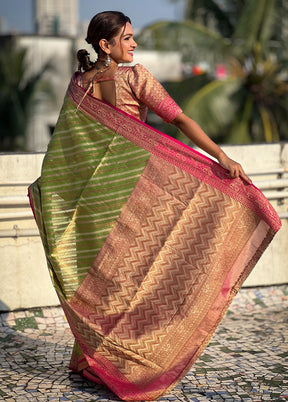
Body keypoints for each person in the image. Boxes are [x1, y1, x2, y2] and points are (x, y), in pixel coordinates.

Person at [28, 11, 281, 402]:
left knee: (101, 280)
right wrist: (220, 157)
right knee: (124, 282)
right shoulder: (134, 76)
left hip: (92, 201)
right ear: (105, 45)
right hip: (130, 193)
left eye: (133, 38)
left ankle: (88, 359)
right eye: (126, 38)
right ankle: (120, 364)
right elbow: (180, 120)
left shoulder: (79, 84)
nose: (133, 44)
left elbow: (63, 152)